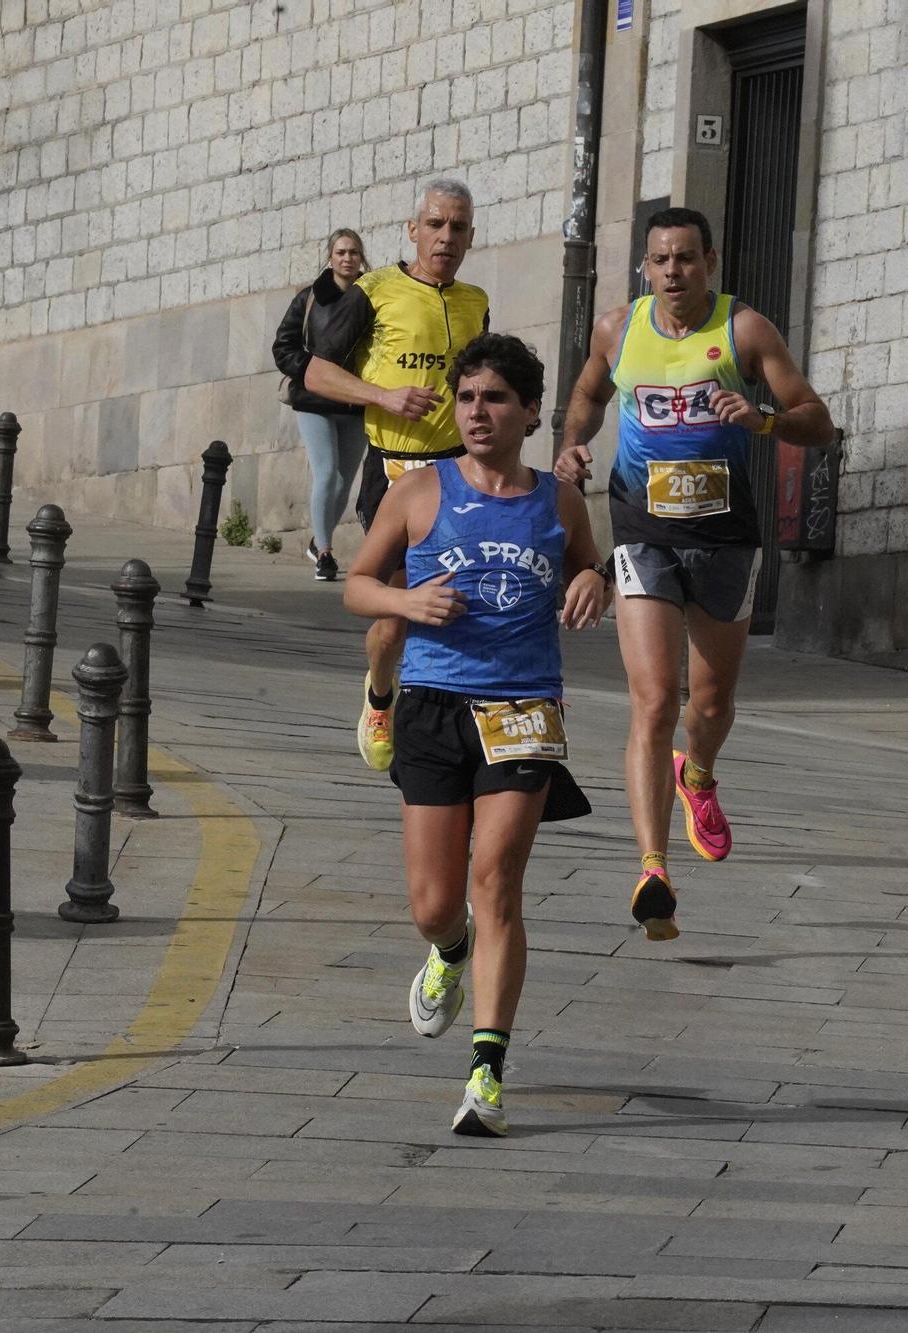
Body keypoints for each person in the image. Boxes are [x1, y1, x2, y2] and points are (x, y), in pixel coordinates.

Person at [344, 333, 610, 1136]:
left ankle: (486, 1073)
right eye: (466, 399)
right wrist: (406, 604)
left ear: (530, 412)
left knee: (495, 877)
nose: (477, 412)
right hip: (431, 705)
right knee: (433, 905)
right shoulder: (421, 492)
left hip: (522, 708)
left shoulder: (557, 502)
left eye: (494, 399)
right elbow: (357, 585)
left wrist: (592, 578)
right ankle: (448, 951)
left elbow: (585, 567)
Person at [554, 207, 836, 942]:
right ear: (645, 267)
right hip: (643, 532)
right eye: (659, 260)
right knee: (653, 700)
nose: (672, 272)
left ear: (708, 261)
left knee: (708, 704)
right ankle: (654, 867)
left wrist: (763, 420)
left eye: (685, 259)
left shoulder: (745, 331)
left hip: (727, 537)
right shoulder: (619, 329)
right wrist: (572, 446)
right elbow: (587, 394)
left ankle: (699, 772)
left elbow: (818, 420)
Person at [305, 179, 489, 773]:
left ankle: (451, 717)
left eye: (458, 228)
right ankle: (380, 695)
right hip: (393, 475)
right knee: (393, 618)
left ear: (469, 237)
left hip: (457, 475)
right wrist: (382, 396)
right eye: (435, 225)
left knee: (462, 605)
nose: (446, 238)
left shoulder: (475, 301)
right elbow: (316, 373)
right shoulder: (376, 288)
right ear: (413, 230)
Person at [271, 228, 371, 582]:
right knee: (326, 472)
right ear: (330, 257)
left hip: (355, 401)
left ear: (361, 257)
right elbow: (283, 346)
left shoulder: (373, 297)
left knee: (344, 483)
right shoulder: (310, 297)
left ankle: (318, 539)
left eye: (354, 252)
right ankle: (325, 553)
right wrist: (311, 372)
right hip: (313, 399)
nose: (347, 258)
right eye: (341, 252)